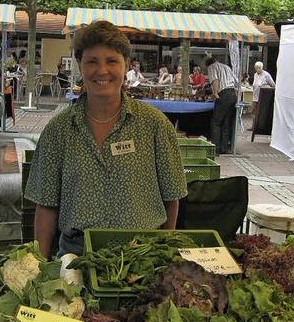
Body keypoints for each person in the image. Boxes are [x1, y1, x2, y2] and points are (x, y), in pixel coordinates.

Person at [24, 20, 188, 258]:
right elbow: (46, 205)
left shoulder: (155, 125)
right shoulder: (58, 131)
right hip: (76, 258)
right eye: (92, 62)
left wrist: (161, 252)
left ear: (126, 65)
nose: (102, 71)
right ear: (80, 66)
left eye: (112, 61)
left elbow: (172, 197)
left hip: (141, 255)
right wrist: (39, 264)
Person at [205, 56, 237, 154]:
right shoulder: (226, 67)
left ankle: (215, 148)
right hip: (232, 93)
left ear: (208, 64)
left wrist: (215, 93)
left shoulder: (212, 67)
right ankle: (224, 148)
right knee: (226, 123)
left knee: (216, 122)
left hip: (224, 94)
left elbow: (215, 80)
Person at [251, 61, 275, 131]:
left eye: (259, 68)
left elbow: (273, 85)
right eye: (256, 68)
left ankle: (259, 127)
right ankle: (253, 126)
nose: (257, 69)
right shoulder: (255, 74)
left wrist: (266, 89)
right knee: (253, 111)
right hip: (255, 96)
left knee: (260, 112)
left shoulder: (266, 75)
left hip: (262, 97)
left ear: (262, 67)